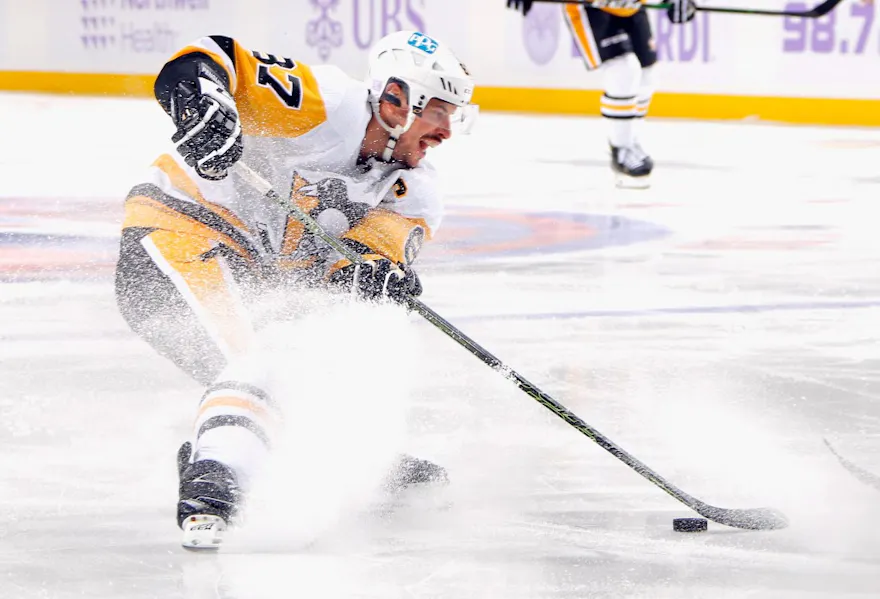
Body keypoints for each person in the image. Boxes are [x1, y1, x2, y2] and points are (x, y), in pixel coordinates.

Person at [114, 30, 477, 549]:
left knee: (306, 364)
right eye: (439, 109)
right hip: (176, 235)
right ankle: (212, 483)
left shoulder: (415, 192)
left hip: (248, 274)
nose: (446, 129)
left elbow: (337, 274)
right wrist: (200, 101)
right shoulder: (326, 104)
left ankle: (305, 454)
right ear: (396, 100)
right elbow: (210, 55)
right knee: (262, 364)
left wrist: (367, 274)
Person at [507, 0, 695, 188]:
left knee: (647, 76)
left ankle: (630, 142)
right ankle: (621, 149)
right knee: (623, 70)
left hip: (632, 7)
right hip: (592, 7)